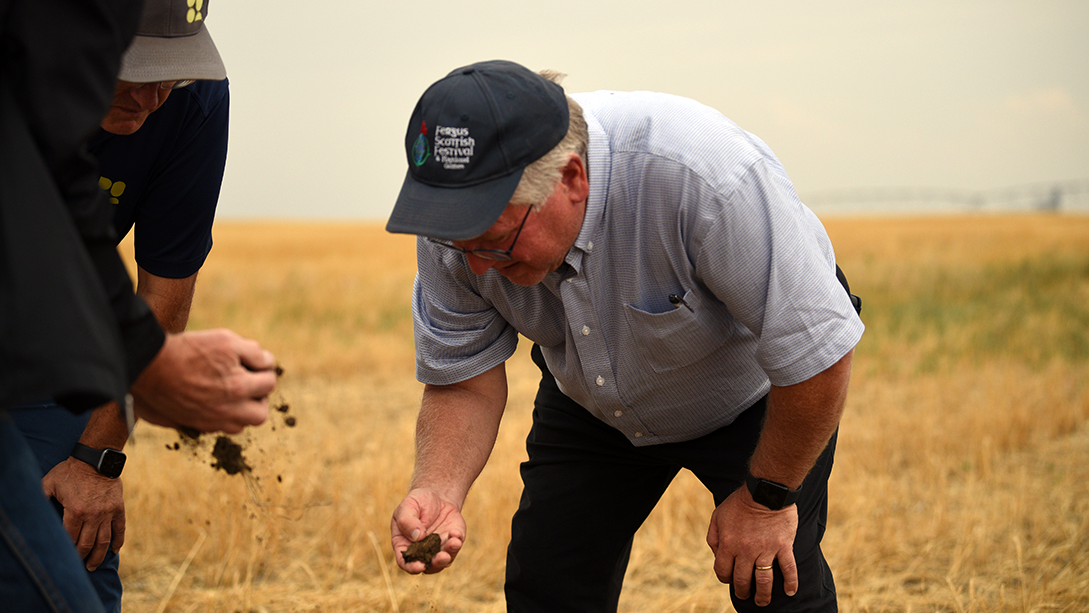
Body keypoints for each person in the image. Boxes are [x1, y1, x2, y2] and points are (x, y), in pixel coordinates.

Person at [386, 60, 864, 612]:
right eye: (458, 243)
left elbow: (816, 352)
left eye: (494, 241)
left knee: (774, 587)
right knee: (548, 592)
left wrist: (765, 502)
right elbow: (463, 381)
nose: (477, 267)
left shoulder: (703, 173)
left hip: (752, 397)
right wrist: (438, 488)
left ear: (571, 179)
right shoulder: (456, 238)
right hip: (592, 402)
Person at [0, 0, 276, 610]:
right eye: (131, 66)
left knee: (70, 582)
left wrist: (97, 458)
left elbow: (162, 288)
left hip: (52, 348)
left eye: (170, 70)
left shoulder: (194, 101)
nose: (152, 94)